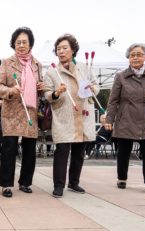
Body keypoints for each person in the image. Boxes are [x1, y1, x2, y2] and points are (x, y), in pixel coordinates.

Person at [44, 34, 99, 198]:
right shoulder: (52, 71)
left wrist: (91, 88)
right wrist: (55, 93)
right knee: (61, 151)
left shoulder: (84, 67)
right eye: (58, 49)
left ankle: (74, 182)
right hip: (64, 115)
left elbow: (96, 87)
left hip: (83, 113)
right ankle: (58, 185)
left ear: (73, 50)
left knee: (79, 151)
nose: (61, 51)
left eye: (64, 48)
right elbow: (47, 93)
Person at [0, 27, 45, 198]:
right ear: (13, 45)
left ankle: (25, 182)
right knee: (9, 148)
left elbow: (41, 87)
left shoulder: (37, 64)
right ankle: (6, 184)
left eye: (24, 42)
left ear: (30, 44)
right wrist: (10, 90)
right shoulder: (7, 63)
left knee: (30, 149)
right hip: (12, 111)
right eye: (18, 43)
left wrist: (41, 87)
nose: (21, 45)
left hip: (30, 111)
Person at [102, 43, 145, 195]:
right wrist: (109, 119)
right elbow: (113, 100)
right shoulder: (121, 76)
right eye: (132, 55)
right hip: (126, 117)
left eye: (139, 54)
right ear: (128, 58)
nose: (135, 57)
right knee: (124, 151)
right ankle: (122, 178)